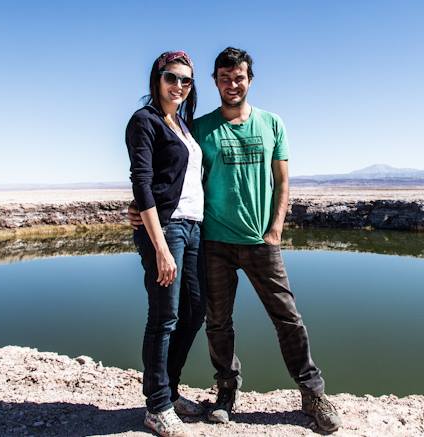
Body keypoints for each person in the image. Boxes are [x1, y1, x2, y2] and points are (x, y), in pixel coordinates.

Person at [130, 47, 342, 432]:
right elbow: (167, 172)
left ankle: (312, 393)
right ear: (215, 82)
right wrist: (139, 210)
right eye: (224, 78)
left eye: (239, 77)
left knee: (287, 318)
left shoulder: (272, 123)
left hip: (261, 241)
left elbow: (283, 181)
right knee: (217, 323)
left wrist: (275, 229)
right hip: (212, 241)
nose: (232, 84)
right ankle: (225, 391)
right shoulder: (200, 127)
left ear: (249, 79)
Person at [125, 50, 206, 437]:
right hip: (167, 230)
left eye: (186, 81)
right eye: (171, 77)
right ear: (156, 78)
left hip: (193, 227)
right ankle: (156, 406)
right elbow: (141, 181)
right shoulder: (145, 121)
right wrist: (158, 246)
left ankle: (170, 391)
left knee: (195, 311)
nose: (179, 86)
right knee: (164, 316)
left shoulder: (182, 124)